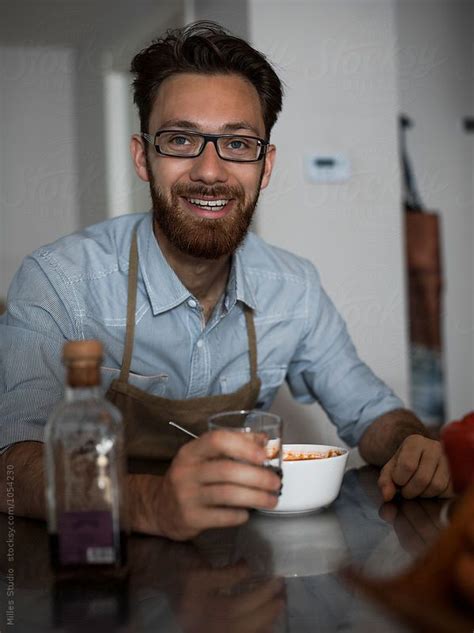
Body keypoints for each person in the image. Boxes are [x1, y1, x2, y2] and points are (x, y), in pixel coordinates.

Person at [0, 21, 452, 541]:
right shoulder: (60, 281)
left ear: (265, 166)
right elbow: (11, 462)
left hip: (240, 571)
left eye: (238, 143)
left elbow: (371, 414)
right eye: (181, 139)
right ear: (143, 157)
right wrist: (150, 503)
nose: (210, 171)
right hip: (96, 570)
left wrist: (412, 445)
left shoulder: (294, 289)